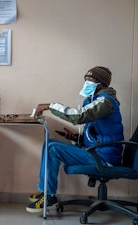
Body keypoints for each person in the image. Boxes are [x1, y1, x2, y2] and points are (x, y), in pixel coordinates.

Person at [26, 66, 124, 213]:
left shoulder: (106, 101)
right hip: (96, 152)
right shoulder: (96, 100)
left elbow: (79, 116)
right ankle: (45, 191)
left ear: (102, 84)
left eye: (91, 80)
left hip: (104, 158)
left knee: (52, 149)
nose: (86, 83)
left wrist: (50, 106)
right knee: (50, 143)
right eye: (86, 80)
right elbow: (98, 133)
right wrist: (77, 138)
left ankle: (49, 195)